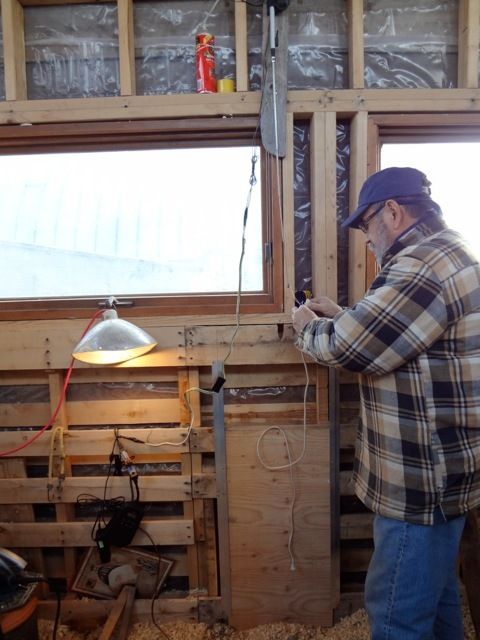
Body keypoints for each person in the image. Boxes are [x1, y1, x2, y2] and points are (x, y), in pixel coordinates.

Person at [291, 166, 480, 640]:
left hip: (421, 481)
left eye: (366, 224)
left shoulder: (420, 265)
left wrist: (307, 328)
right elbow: (406, 336)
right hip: (445, 471)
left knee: (397, 614)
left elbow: (350, 348)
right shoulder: (449, 251)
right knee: (437, 598)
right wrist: (346, 314)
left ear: (392, 212)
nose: (367, 238)